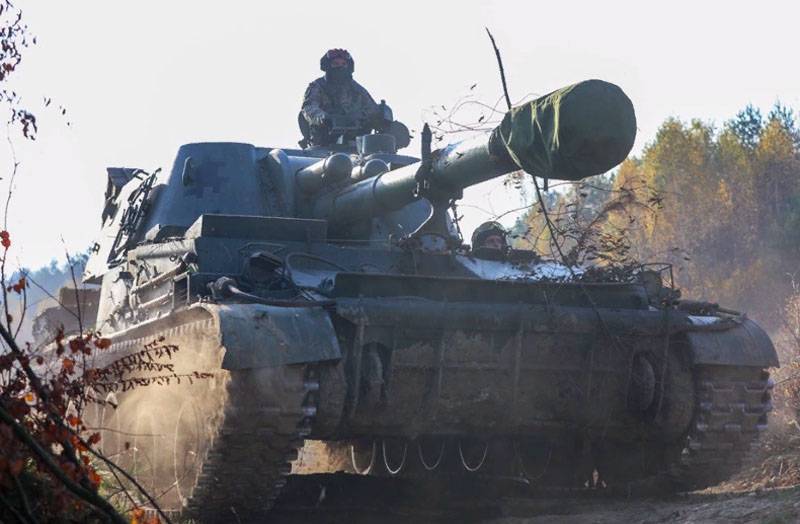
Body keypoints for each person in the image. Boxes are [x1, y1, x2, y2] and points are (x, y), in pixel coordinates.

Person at [300, 49, 384, 147]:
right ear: (328, 66)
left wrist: (359, 117)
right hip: (324, 142)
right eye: (335, 64)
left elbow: (372, 109)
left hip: (355, 143)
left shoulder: (357, 89)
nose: (340, 67)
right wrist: (325, 118)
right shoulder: (318, 86)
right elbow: (309, 108)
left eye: (343, 64)